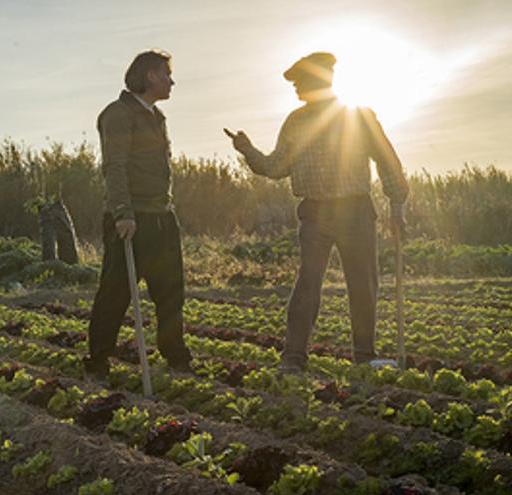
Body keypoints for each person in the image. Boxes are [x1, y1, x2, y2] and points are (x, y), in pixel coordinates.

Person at [225, 51, 409, 373]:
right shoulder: (296, 122)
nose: (296, 89)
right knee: (307, 282)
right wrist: (247, 150)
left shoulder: (360, 115)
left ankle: (364, 356)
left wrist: (396, 205)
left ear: (324, 79)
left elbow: (387, 161)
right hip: (314, 212)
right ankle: (293, 358)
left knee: (363, 284)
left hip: (355, 210)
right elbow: (276, 166)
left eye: (302, 82)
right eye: (295, 84)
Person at [84, 49, 193, 377]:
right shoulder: (118, 114)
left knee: (171, 292)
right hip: (132, 217)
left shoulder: (157, 117)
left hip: (162, 216)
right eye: (166, 74)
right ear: (149, 76)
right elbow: (114, 167)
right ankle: (98, 362)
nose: (171, 81)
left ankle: (177, 358)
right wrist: (122, 213)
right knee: (115, 294)